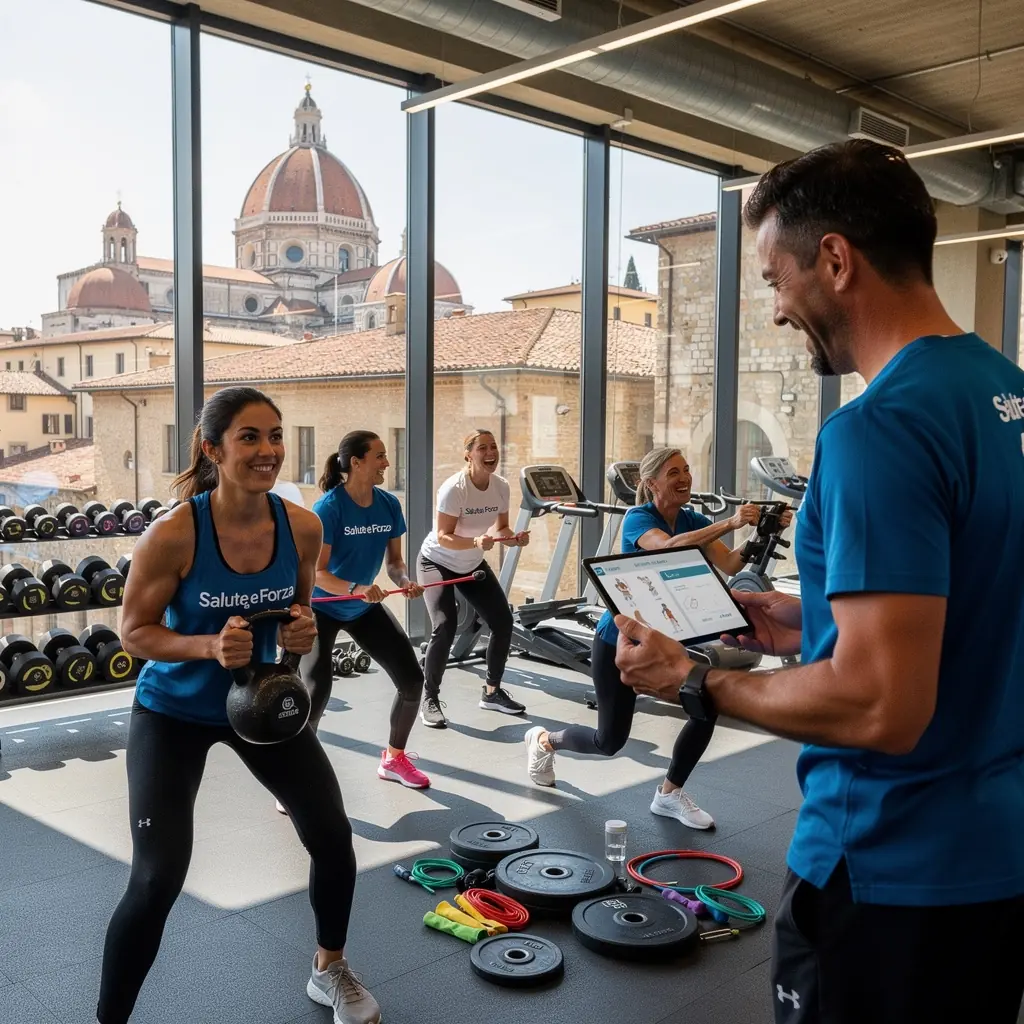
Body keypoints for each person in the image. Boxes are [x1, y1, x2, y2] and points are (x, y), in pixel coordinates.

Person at [613, 140, 1024, 1024]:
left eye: (773, 279)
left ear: (836, 259)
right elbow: (985, 605)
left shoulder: (881, 428)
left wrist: (696, 680)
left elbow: (883, 708)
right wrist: (809, 624)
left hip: (886, 871)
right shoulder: (1008, 395)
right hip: (997, 862)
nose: (774, 311)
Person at [97, 387, 380, 1024]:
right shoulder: (173, 535)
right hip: (172, 713)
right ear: (213, 449)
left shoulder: (301, 526)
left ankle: (328, 968)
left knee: (333, 839)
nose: (267, 451)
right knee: (156, 879)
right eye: (249, 437)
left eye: (275, 436)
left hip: (263, 705)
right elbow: (134, 634)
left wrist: (301, 632)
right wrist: (206, 644)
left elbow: (297, 611)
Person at [525, 447, 789, 831]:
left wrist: (762, 533)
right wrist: (731, 523)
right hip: (622, 642)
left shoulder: (692, 518)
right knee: (609, 741)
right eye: (673, 473)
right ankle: (545, 741)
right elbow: (666, 547)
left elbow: (731, 564)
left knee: (705, 705)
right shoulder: (637, 518)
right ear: (650, 484)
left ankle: (668, 793)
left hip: (668, 640)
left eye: (686, 470)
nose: (684, 478)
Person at [300, 430, 429, 791]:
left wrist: (405, 580)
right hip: (322, 607)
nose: (387, 463)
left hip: (361, 607)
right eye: (380, 456)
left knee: (411, 681)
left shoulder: (389, 504)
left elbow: (396, 563)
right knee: (316, 691)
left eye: (386, 456)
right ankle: (296, 777)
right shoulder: (329, 508)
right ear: (356, 463)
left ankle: (393, 758)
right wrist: (356, 589)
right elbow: (317, 573)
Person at [416, 428, 528, 727]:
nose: (490, 452)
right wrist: (477, 542)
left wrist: (513, 537)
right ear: (468, 454)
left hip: (471, 564)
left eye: (494, 446)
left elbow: (501, 529)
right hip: (437, 561)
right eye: (482, 448)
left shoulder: (501, 486)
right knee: (445, 624)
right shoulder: (455, 488)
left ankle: (491, 693)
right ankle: (429, 697)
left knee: (503, 621)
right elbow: (443, 537)